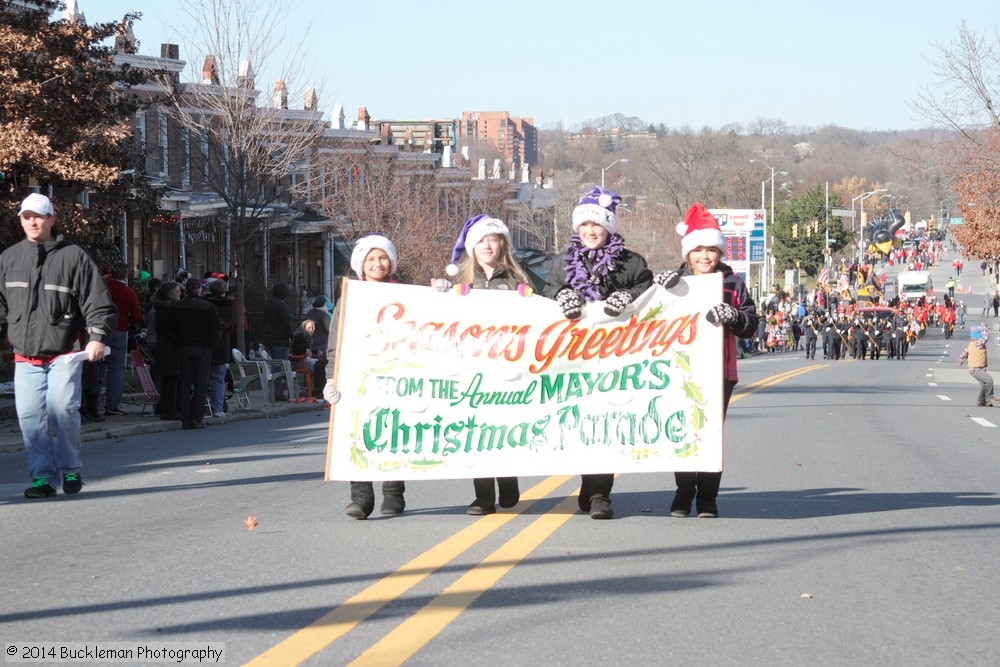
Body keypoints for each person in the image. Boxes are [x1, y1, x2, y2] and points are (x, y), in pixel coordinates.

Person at [542, 186, 653, 520]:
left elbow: (652, 294)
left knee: (607, 422)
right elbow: (545, 295)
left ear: (609, 227)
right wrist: (561, 295)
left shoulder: (631, 262)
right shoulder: (561, 263)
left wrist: (628, 298)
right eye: (585, 225)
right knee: (580, 423)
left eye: (598, 225)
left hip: (616, 359)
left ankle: (601, 493)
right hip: (572, 358)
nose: (591, 231)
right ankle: (588, 484)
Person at [0, 193, 117, 498]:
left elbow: (97, 300)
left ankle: (70, 470)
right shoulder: (9, 259)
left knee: (62, 409)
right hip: (25, 357)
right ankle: (42, 478)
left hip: (64, 353)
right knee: (29, 418)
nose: (32, 222)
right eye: (26, 216)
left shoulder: (73, 256)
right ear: (21, 221)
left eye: (38, 216)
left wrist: (96, 337)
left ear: (52, 219)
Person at [656, 202, 759, 519]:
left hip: (720, 373)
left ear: (720, 252)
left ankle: (708, 498)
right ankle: (684, 493)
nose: (705, 256)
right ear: (688, 253)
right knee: (684, 433)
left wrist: (734, 317)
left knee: (710, 434)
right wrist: (658, 291)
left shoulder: (733, 283)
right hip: (680, 372)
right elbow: (652, 320)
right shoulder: (675, 283)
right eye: (698, 249)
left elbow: (752, 323)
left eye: (711, 250)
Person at [440, 214, 530, 516]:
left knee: (502, 430)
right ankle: (482, 496)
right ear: (472, 247)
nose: (487, 245)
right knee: (475, 432)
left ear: (502, 244)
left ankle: (507, 482)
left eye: (493, 239)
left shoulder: (519, 281)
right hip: (472, 371)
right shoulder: (459, 283)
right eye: (481, 241)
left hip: (508, 369)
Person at [324, 235, 407, 519]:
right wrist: (330, 378)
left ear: (391, 262)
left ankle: (394, 495)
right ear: (360, 264)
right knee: (357, 434)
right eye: (370, 259)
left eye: (382, 257)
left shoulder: (406, 296)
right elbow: (336, 342)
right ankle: (361, 498)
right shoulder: (349, 299)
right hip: (358, 376)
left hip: (396, 376)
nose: (377, 264)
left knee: (394, 433)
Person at [167, 278, 221, 429]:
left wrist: (178, 343)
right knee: (201, 384)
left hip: (184, 347)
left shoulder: (177, 307)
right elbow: (217, 330)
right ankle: (196, 417)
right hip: (202, 348)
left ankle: (184, 416)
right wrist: (210, 346)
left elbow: (170, 329)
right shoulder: (208, 307)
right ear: (199, 290)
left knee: (184, 383)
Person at [102, 263, 143, 416]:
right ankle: (111, 404)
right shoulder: (129, 293)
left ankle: (90, 403)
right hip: (119, 330)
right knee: (116, 370)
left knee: (96, 368)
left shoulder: (103, 288)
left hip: (100, 330)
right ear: (125, 275)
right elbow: (137, 317)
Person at [150, 281, 183, 420]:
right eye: (177, 291)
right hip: (170, 347)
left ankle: (167, 408)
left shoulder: (161, 308)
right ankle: (170, 410)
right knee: (171, 379)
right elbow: (170, 329)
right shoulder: (169, 309)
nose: (180, 293)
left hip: (165, 346)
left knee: (168, 380)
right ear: (170, 294)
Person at [203, 279, 234, 417]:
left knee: (202, 377)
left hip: (206, 345)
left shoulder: (205, 304)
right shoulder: (227, 306)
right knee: (218, 379)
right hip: (221, 346)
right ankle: (217, 408)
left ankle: (202, 405)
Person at [261, 282, 293, 400]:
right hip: (280, 340)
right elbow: (286, 323)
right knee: (279, 367)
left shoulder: (269, 304)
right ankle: (276, 393)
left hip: (269, 339)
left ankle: (274, 391)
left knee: (274, 366)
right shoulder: (281, 306)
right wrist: (290, 335)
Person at [958, 325, 998, 407]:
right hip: (976, 368)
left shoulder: (971, 343)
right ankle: (989, 398)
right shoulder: (978, 343)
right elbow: (986, 338)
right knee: (989, 380)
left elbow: (964, 353)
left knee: (984, 385)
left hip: (973, 369)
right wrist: (984, 326)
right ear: (979, 335)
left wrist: (960, 361)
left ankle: (981, 401)